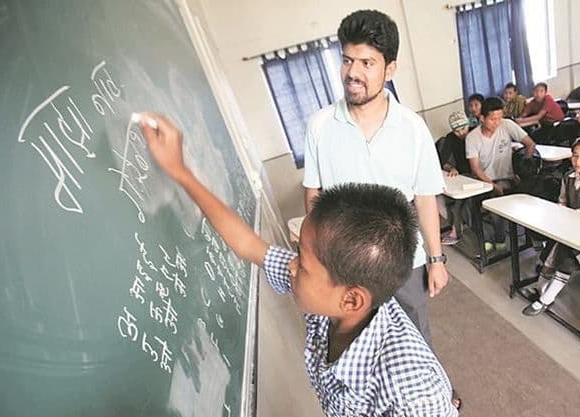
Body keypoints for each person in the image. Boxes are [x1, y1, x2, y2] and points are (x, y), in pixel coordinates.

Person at [136, 112, 457, 416]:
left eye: (303, 264)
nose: (291, 266)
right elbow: (250, 246)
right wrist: (180, 171)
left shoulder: (411, 393)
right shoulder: (334, 296)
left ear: (351, 300)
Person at [301, 10, 460, 409]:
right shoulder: (320, 125)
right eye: (347, 60)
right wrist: (320, 257)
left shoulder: (412, 127)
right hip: (346, 264)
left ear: (390, 68)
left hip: (404, 262)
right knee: (354, 343)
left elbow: (425, 198)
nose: (353, 73)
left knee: (415, 334)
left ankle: (434, 398)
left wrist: (436, 259)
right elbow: (314, 196)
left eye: (367, 63)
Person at [522, 134, 580, 315]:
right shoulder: (569, 177)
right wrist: (563, 215)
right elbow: (563, 200)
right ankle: (541, 291)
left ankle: (545, 299)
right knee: (552, 258)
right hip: (567, 227)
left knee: (567, 260)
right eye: (575, 155)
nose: (578, 161)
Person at [466, 96, 536, 247]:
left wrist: (523, 168)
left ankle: (503, 240)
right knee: (468, 207)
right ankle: (489, 240)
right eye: (493, 119)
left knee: (498, 201)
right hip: (484, 181)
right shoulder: (472, 138)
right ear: (482, 118)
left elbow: (530, 144)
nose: (497, 122)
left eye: (500, 118)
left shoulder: (507, 125)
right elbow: (476, 168)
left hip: (506, 178)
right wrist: (492, 184)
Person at [437, 111, 472, 246]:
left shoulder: (475, 133)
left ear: (468, 124)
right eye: (456, 131)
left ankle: (456, 231)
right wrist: (451, 168)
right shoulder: (451, 138)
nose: (461, 133)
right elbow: (443, 161)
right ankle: (456, 226)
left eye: (463, 128)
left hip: (477, 175)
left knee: (459, 203)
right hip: (462, 176)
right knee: (439, 199)